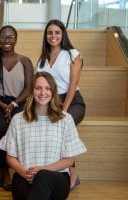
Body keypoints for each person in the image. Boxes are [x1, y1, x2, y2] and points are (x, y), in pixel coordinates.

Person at [0, 72, 87, 200]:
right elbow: (10, 157)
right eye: (38, 88)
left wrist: (42, 169)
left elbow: (69, 160)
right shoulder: (18, 119)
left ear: (53, 92)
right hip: (25, 177)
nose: (42, 93)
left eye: (47, 88)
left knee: (43, 177)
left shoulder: (66, 120)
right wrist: (24, 172)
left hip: (57, 178)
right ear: (32, 91)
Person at [36, 19, 86, 190]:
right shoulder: (42, 58)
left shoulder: (73, 54)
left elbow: (73, 84)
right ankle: (50, 171)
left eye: (57, 32)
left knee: (65, 123)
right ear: (46, 36)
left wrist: (64, 110)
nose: (53, 36)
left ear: (63, 34)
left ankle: (72, 173)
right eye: (50, 33)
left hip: (72, 101)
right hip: (50, 101)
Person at [0, 25, 34, 190]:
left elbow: (28, 88)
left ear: (16, 40)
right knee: (0, 129)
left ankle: (17, 169)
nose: (7, 40)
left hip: (19, 102)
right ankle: (3, 170)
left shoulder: (25, 61)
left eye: (10, 37)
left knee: (16, 128)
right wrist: (2, 104)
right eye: (4, 37)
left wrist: (12, 104)